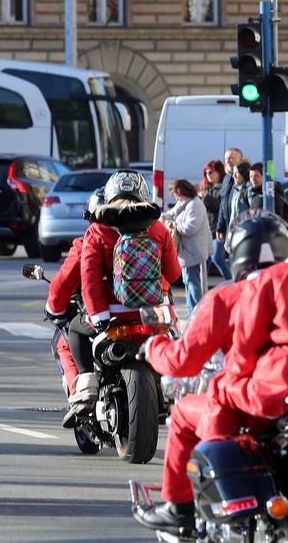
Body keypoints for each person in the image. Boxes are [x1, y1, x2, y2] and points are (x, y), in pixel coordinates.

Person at [136, 191, 288, 533]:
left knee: (219, 392)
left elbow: (245, 347)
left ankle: (208, 488)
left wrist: (236, 380)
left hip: (273, 393)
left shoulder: (261, 285)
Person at [142, 214, 288, 523]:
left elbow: (184, 362)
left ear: (238, 255)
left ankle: (178, 507)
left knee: (183, 410)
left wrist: (154, 346)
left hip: (247, 403)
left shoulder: (228, 297)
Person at [76, 171, 182, 423]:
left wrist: (99, 317)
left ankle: (88, 389)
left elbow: (89, 280)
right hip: (154, 313)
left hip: (112, 314)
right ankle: (172, 391)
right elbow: (174, 273)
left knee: (75, 330)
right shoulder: (157, 228)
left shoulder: (97, 230)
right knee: (174, 344)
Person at [45, 192, 106, 402]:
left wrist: (53, 308)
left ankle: (81, 390)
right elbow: (173, 273)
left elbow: (63, 283)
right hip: (147, 313)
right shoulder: (148, 235)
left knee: (66, 339)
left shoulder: (87, 243)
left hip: (105, 315)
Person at [161, 178, 211, 311]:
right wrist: (162, 217)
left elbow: (190, 228)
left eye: (177, 193)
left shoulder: (195, 204)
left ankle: (196, 310)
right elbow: (171, 213)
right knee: (188, 281)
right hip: (187, 251)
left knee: (192, 281)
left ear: (184, 191)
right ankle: (192, 309)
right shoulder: (184, 203)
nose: (176, 197)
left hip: (194, 251)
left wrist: (173, 225)